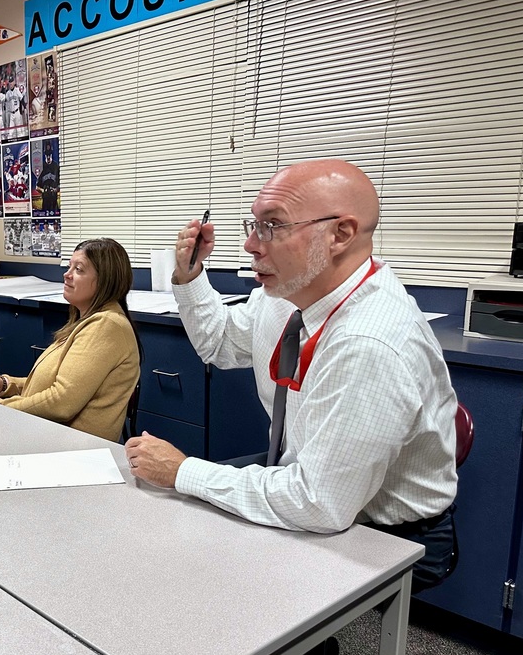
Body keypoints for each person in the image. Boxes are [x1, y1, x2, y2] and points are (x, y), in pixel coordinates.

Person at [124, 158, 458, 588]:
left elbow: (320, 504)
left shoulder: (370, 342)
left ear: (341, 234)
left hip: (384, 527)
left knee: (202, 562)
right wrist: (189, 277)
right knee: (167, 517)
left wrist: (183, 470)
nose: (250, 245)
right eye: (253, 224)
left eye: (272, 226)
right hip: (303, 477)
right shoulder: (288, 294)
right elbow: (221, 343)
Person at [0, 238, 140, 442]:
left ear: (106, 280)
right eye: (69, 267)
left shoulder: (106, 325)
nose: (66, 275)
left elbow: (62, 402)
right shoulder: (87, 320)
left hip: (73, 451)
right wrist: (6, 384)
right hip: (50, 437)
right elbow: (55, 384)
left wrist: (3, 407)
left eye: (79, 269)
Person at [36, 144, 59, 214]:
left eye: (50, 155)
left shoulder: (56, 166)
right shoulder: (42, 167)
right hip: (45, 200)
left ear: (52, 155)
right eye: (47, 155)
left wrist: (56, 189)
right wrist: (43, 190)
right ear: (44, 155)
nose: (48, 157)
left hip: (54, 200)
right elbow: (37, 187)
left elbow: (61, 184)